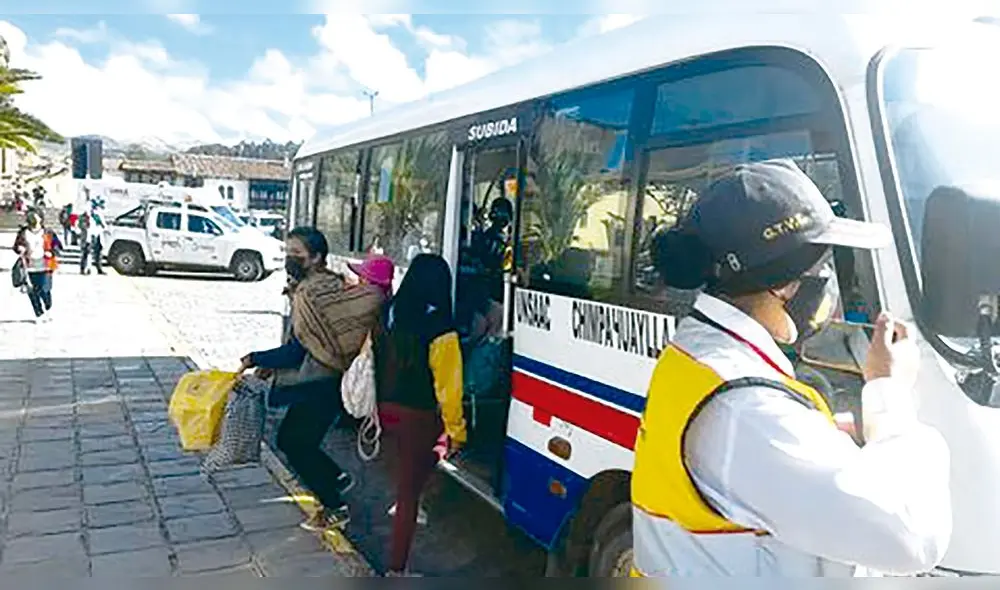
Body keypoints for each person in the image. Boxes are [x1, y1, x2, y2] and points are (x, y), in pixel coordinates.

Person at [630, 159, 952, 577]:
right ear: (783, 284)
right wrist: (888, 392)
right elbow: (912, 536)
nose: (830, 283)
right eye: (823, 268)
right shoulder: (745, 408)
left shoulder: (700, 354)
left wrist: (817, 435)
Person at [239, 227, 387, 530]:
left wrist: (256, 358)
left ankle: (335, 507)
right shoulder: (325, 285)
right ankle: (335, 478)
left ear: (316, 257)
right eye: (287, 252)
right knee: (296, 441)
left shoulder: (310, 293)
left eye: (297, 253)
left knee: (294, 443)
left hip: (319, 382)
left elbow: (298, 350)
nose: (290, 258)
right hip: (325, 380)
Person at [373, 253, 466, 577]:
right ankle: (396, 570)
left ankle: (410, 497)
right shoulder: (441, 326)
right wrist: (457, 429)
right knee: (408, 495)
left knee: (411, 473)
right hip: (419, 416)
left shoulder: (389, 312)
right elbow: (448, 388)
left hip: (385, 410)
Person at [14, 208, 62, 323]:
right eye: (32, 217)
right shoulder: (23, 232)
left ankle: (48, 308)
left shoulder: (47, 232)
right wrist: (19, 248)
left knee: (45, 290)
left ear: (41, 218)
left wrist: (52, 252)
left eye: (36, 217)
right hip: (29, 266)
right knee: (33, 292)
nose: (34, 219)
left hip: (45, 265)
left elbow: (57, 246)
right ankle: (38, 313)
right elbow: (16, 246)